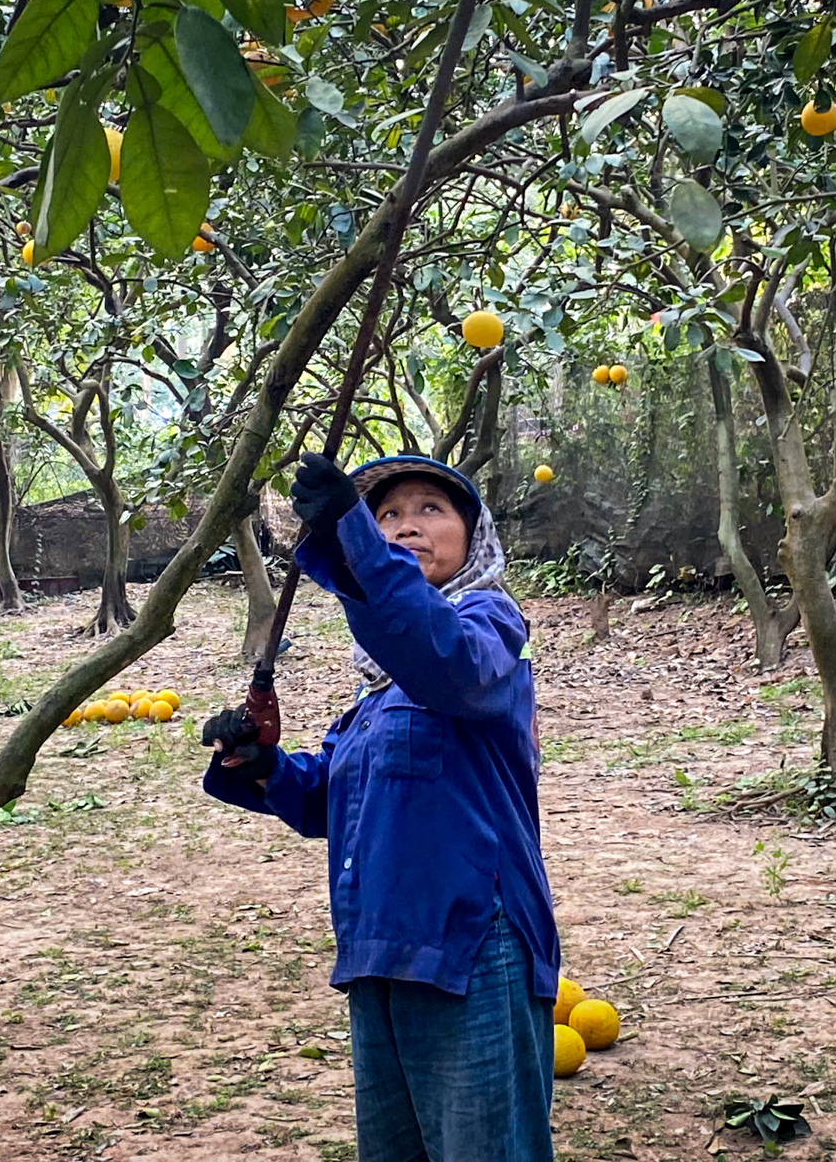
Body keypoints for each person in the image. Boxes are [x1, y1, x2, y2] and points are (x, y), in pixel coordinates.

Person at [200, 452, 558, 1162]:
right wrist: (266, 767)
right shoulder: (373, 698)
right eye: (387, 515)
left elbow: (439, 653)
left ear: (472, 533)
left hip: (471, 945)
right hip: (380, 949)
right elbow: (334, 801)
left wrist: (353, 537)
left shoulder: (489, 636)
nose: (406, 527)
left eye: (431, 509)